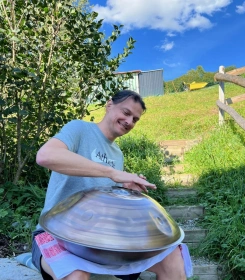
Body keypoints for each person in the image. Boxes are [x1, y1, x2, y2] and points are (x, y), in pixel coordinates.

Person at [32, 90, 188, 280]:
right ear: (109, 105)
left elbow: (104, 202)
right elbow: (45, 156)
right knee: (76, 274)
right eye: (126, 112)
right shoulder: (79, 129)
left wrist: (126, 193)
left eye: (135, 119)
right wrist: (112, 172)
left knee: (172, 258)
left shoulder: (117, 154)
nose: (129, 121)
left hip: (101, 242)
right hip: (57, 234)